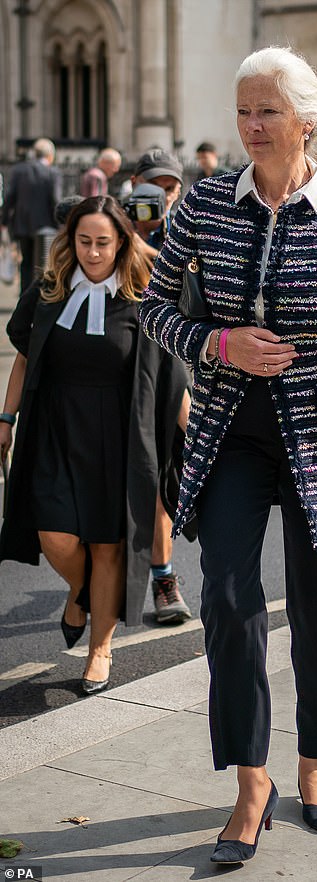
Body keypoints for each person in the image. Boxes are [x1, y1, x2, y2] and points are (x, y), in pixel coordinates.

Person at [140, 45, 317, 864]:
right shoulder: (208, 204)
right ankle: (251, 782)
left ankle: (316, 758)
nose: (252, 126)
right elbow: (152, 306)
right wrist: (217, 340)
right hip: (231, 431)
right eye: (244, 111)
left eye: (268, 112)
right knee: (225, 595)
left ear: (305, 122)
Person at [0, 196, 162, 694]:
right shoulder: (48, 290)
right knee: (56, 536)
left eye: (103, 243)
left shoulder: (141, 296)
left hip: (115, 436)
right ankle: (80, 588)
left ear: (122, 243)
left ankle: (100, 650)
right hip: (53, 429)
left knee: (107, 544)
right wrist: (5, 418)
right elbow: (25, 358)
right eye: (84, 242)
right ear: (71, 242)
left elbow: (166, 376)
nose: (92, 253)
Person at [129, 153, 193, 623]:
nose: (165, 195)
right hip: (119, 373)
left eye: (171, 187)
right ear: (134, 185)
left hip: (168, 371)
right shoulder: (112, 225)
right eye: (156, 186)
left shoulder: (186, 232)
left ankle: (164, 579)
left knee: (160, 476)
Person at [0, 138, 62, 292]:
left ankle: (25, 295)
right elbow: (55, 199)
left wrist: (4, 220)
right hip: (46, 226)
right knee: (42, 264)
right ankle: (40, 296)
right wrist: (62, 223)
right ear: (50, 155)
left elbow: (10, 198)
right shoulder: (52, 172)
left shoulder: (19, 170)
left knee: (26, 262)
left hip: (22, 224)